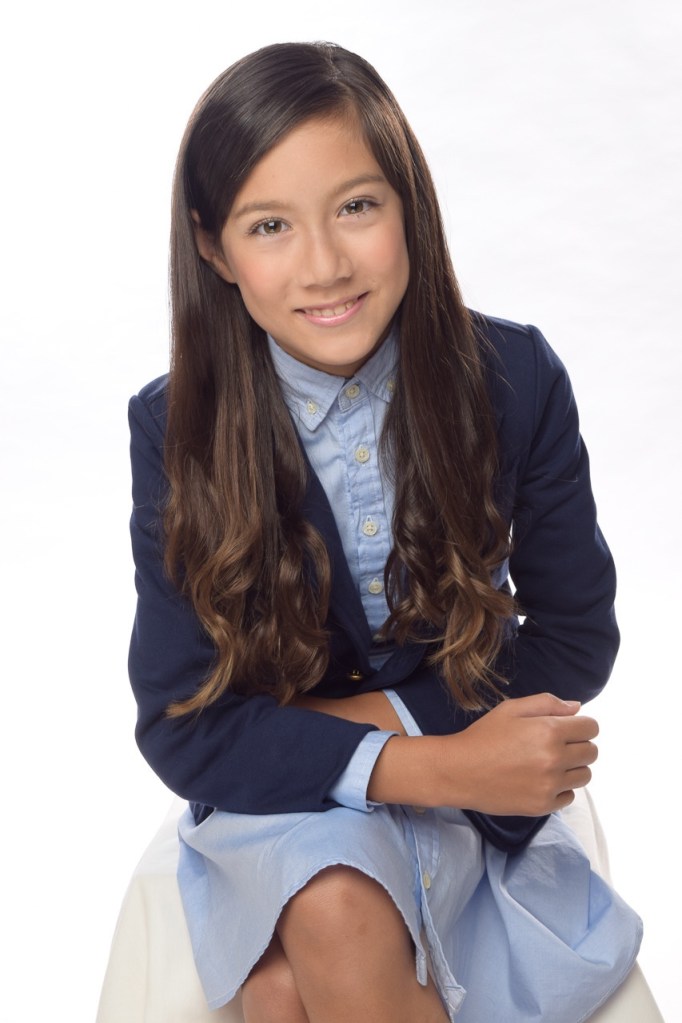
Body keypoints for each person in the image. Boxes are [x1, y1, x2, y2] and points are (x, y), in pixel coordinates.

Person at [128, 41, 642, 1023]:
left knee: (284, 986)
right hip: (291, 795)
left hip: (433, 786)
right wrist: (437, 760)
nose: (324, 265)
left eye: (356, 207)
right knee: (329, 905)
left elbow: (576, 638)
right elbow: (183, 721)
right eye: (270, 225)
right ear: (213, 249)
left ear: (410, 205)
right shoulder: (176, 427)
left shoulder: (514, 379)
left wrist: (363, 729)